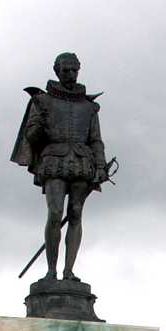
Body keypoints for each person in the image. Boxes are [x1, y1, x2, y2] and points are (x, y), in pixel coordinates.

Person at [11, 51, 109, 282]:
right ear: (57, 70)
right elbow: (31, 138)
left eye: (74, 70)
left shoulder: (89, 106)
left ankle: (68, 272)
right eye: (65, 70)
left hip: (82, 162)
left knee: (75, 213)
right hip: (54, 160)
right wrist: (41, 124)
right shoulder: (42, 101)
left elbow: (95, 139)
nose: (70, 74)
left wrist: (101, 166)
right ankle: (51, 271)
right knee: (55, 213)